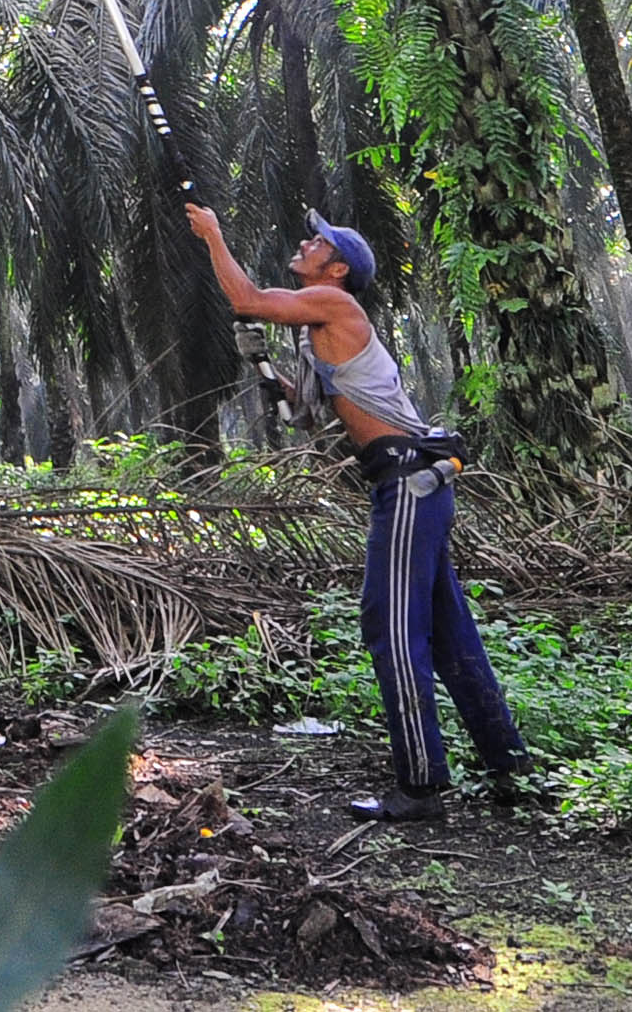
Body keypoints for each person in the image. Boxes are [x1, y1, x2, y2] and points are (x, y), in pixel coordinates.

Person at [187, 201, 538, 822]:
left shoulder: (336, 306)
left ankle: (422, 787)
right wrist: (267, 373)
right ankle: (508, 766)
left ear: (338, 269)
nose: (304, 242)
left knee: (391, 628)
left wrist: (214, 234)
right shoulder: (320, 330)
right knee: (450, 628)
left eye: (316, 242)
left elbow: (245, 297)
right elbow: (309, 419)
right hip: (407, 481)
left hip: (409, 485)